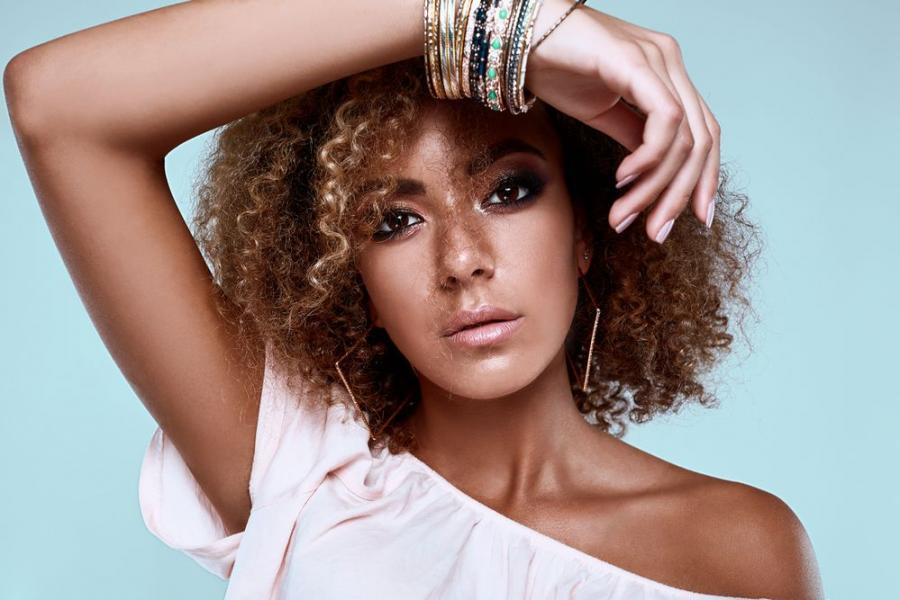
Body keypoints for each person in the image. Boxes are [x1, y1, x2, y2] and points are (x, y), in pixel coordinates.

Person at [4, 0, 824, 598]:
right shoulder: (299, 465)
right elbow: (57, 103)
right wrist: (494, 14)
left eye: (508, 190)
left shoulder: (737, 548)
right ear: (343, 270)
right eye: (393, 221)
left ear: (586, 229)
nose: (462, 261)